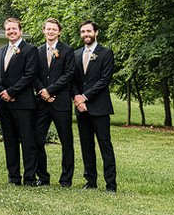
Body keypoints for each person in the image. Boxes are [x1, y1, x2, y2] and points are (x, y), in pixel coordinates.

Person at [73, 20, 117, 192]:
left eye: (89, 31)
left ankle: (111, 184)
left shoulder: (106, 53)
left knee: (105, 145)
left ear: (96, 32)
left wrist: (84, 97)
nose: (86, 34)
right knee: (86, 146)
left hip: (100, 107)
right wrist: (77, 100)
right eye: (83, 32)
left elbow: (104, 80)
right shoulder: (76, 55)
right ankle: (90, 181)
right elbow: (73, 79)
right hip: (81, 108)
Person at [0, 17, 39, 186]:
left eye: (14, 29)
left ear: (20, 31)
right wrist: (3, 93)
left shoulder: (30, 50)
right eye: (8, 29)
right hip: (4, 104)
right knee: (10, 141)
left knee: (28, 142)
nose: (11, 32)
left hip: (24, 104)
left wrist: (12, 92)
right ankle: (13, 177)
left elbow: (30, 75)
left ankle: (29, 178)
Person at [33, 18, 75, 187]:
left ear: (59, 32)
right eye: (48, 29)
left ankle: (66, 179)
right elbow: (33, 74)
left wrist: (50, 91)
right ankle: (43, 177)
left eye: (54, 29)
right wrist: (42, 91)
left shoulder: (67, 50)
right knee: (37, 140)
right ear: (44, 31)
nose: (50, 31)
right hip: (42, 103)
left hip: (61, 102)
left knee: (66, 142)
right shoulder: (37, 51)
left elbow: (69, 74)